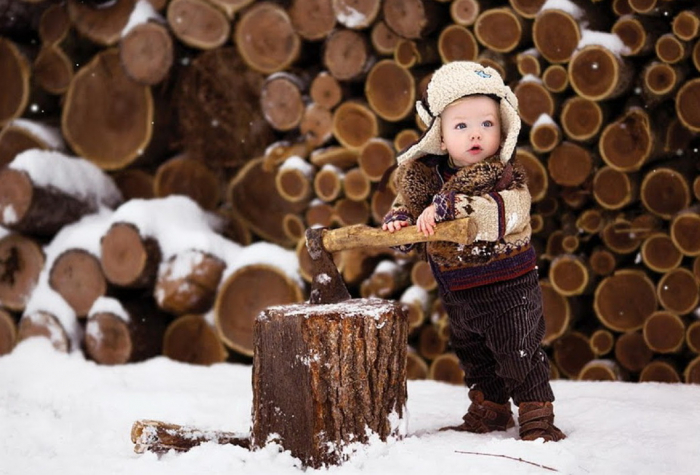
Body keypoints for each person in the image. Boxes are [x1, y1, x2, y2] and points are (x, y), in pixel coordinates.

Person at [382, 61, 565, 442]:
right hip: (457, 289)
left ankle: (536, 413)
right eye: (461, 126)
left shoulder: (504, 177)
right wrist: (401, 222)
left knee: (518, 350)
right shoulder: (426, 178)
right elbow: (409, 207)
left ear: (502, 130)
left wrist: (453, 208)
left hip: (508, 286)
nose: (475, 134)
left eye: (486, 123)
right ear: (441, 137)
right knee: (475, 353)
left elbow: (507, 213)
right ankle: (491, 407)